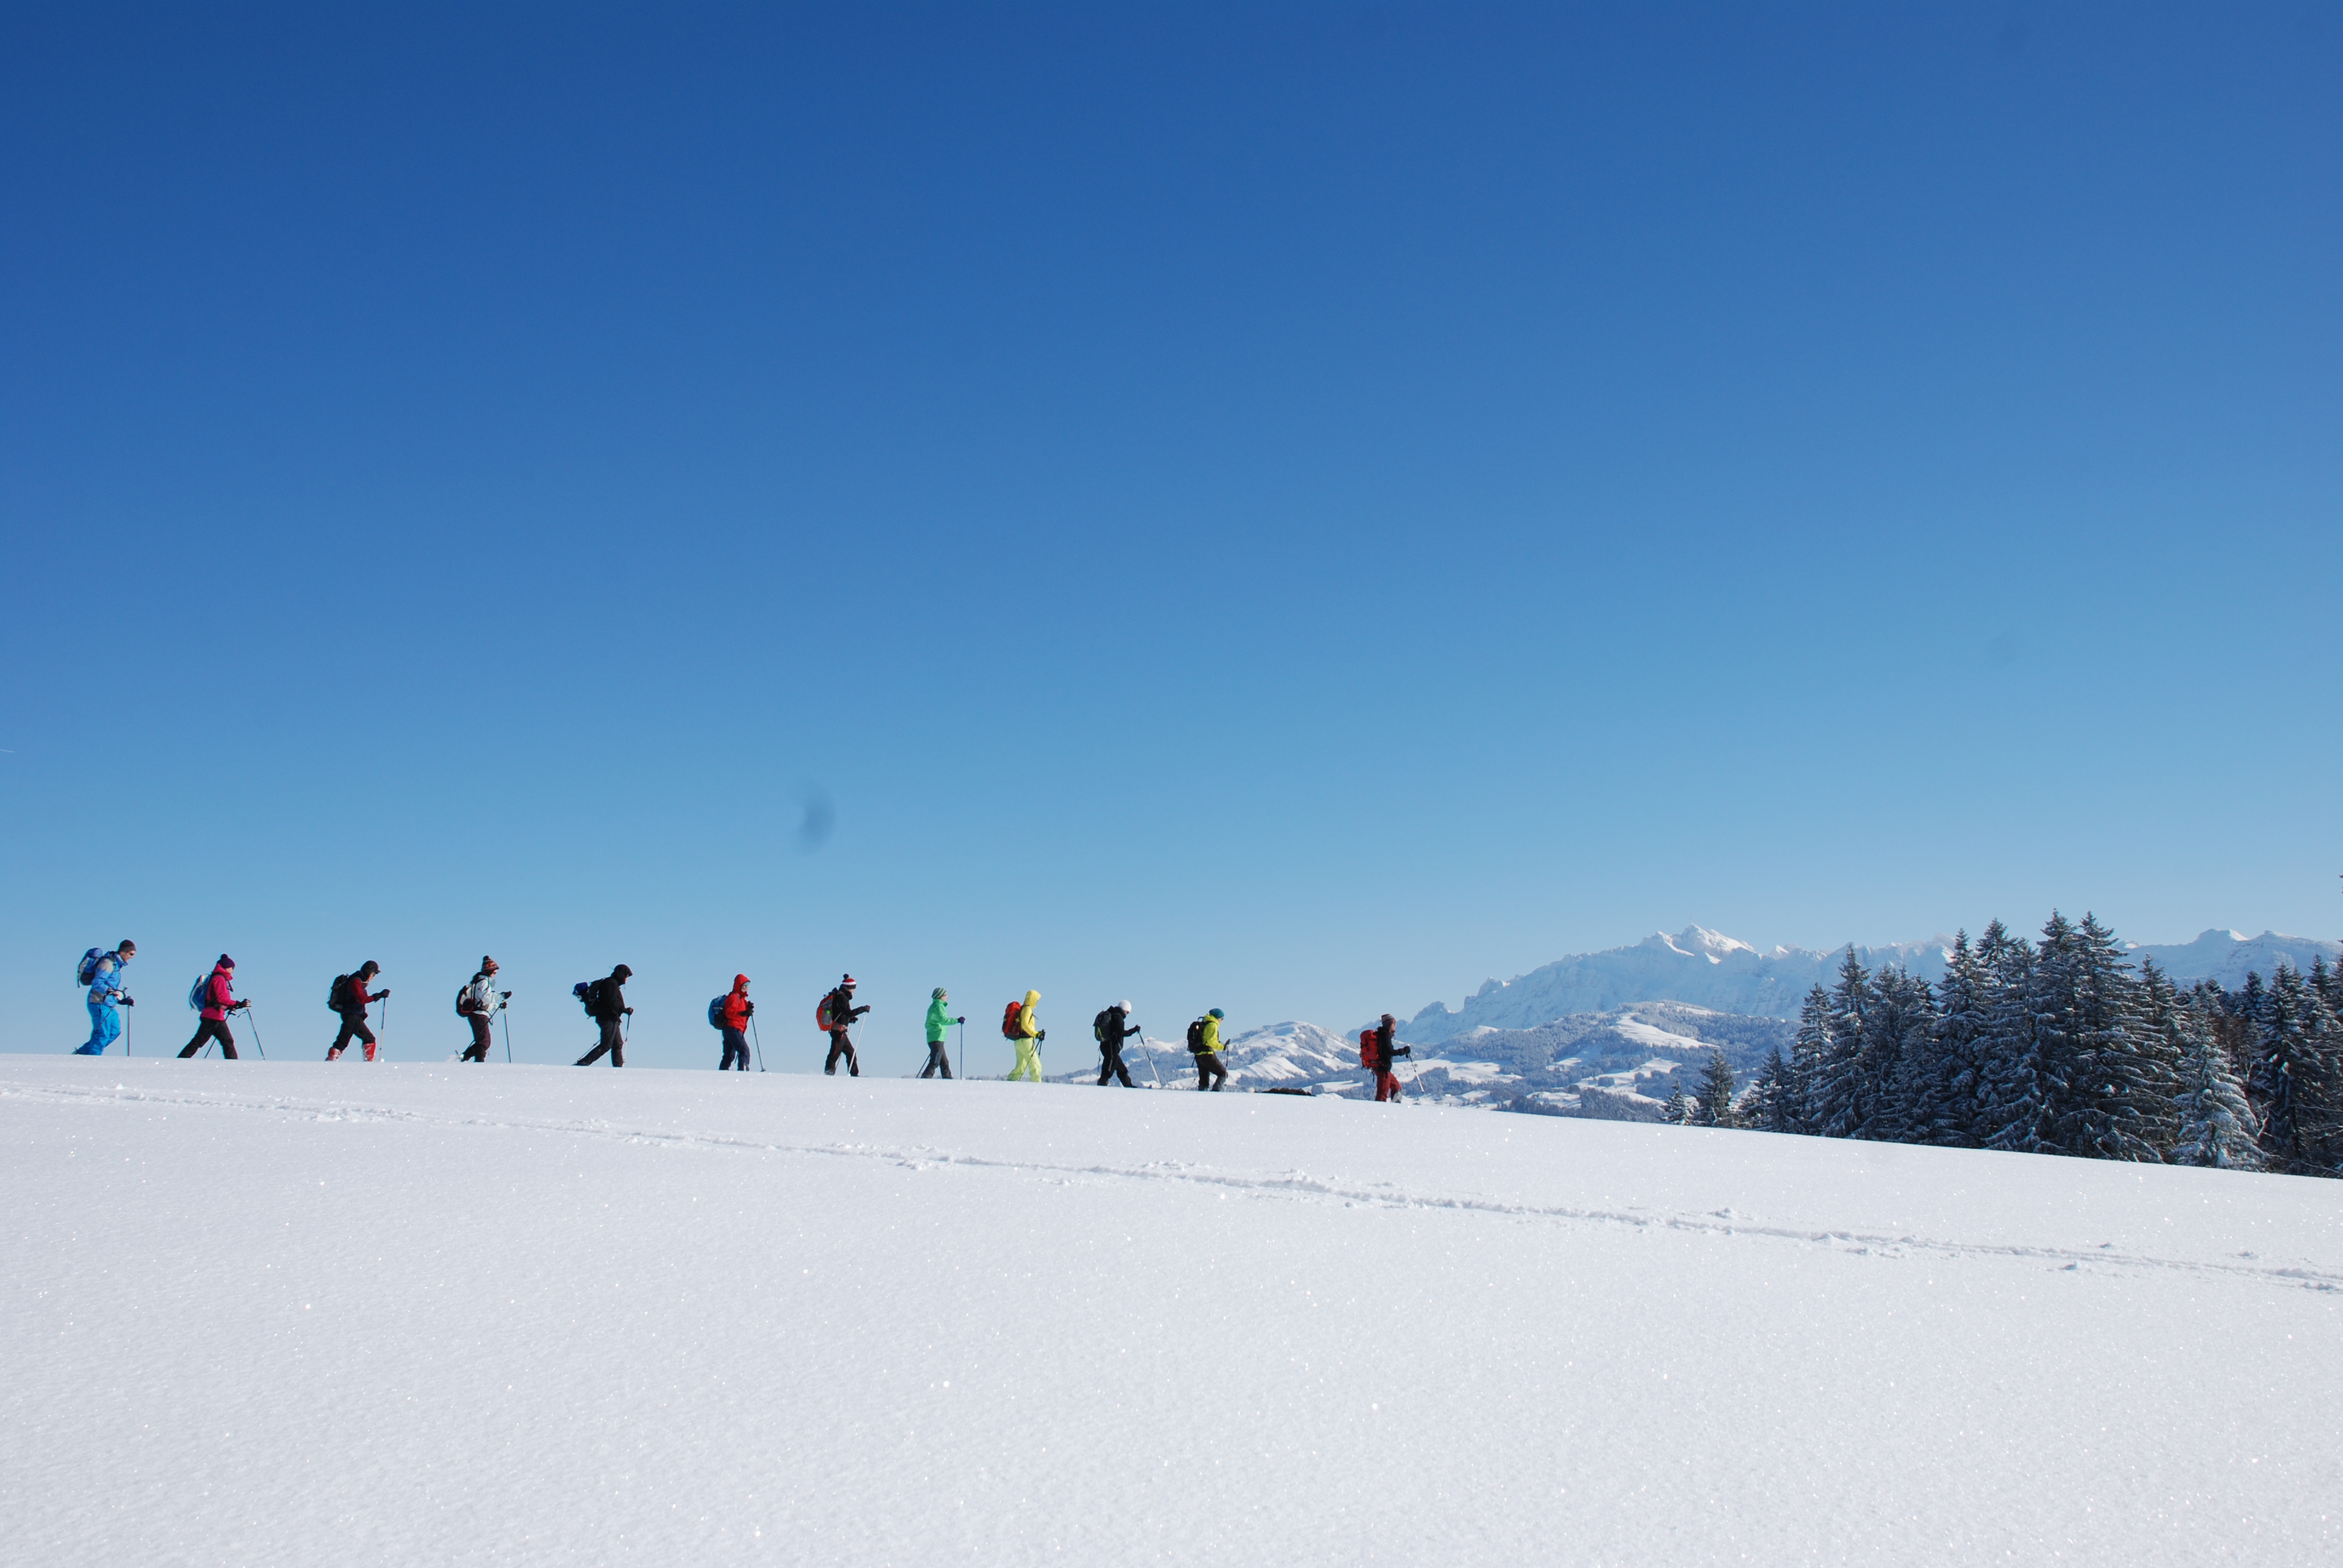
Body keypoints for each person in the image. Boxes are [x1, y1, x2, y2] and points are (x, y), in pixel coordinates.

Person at [180, 955, 248, 1059]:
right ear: (226, 967)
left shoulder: (218, 978)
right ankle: (181, 1060)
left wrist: (234, 1006)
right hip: (213, 1016)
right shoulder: (219, 979)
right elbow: (222, 999)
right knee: (200, 1041)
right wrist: (237, 1004)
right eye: (232, 968)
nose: (233, 971)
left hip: (216, 1016)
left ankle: (233, 1064)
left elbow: (217, 1000)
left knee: (227, 1041)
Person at [76, 940, 136, 1056]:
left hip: (108, 1004)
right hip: (98, 1003)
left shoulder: (116, 966)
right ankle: (93, 1060)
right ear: (124, 952)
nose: (132, 957)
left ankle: (81, 1055)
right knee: (102, 1034)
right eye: (131, 954)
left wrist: (122, 999)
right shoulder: (108, 963)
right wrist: (111, 992)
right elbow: (97, 982)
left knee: (114, 1032)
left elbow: (111, 987)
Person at [327, 962, 389, 1062]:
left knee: (367, 1039)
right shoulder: (355, 981)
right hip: (352, 1015)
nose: (373, 977)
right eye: (373, 974)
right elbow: (361, 999)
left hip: (354, 1015)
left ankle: (368, 1061)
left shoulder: (358, 981)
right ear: (368, 971)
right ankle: (331, 1061)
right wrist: (378, 996)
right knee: (343, 1041)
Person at [575, 964, 634, 1066]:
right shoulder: (610, 984)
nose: (627, 979)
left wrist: (623, 1010)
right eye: (626, 976)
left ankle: (618, 1069)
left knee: (618, 1044)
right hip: (608, 1018)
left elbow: (613, 1002)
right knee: (606, 1045)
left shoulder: (612, 983)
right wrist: (625, 1010)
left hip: (611, 1018)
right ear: (621, 974)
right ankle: (583, 1063)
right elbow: (611, 1002)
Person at [459, 957, 509, 1062]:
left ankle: (464, 1058)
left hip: (478, 1015)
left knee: (482, 1042)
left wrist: (497, 1006)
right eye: (494, 972)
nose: (495, 974)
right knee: (484, 1042)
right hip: (479, 1016)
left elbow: (483, 1002)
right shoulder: (483, 982)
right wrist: (501, 996)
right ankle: (476, 1063)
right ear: (490, 971)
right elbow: (485, 998)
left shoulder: (480, 982)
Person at [818, 974, 867, 1076]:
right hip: (838, 1031)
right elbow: (847, 1013)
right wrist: (863, 1009)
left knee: (851, 1053)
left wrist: (850, 1020)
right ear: (849, 987)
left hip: (841, 1030)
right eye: (854, 988)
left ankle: (854, 1075)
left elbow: (840, 1014)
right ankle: (828, 1075)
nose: (854, 990)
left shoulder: (841, 996)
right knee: (834, 1055)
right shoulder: (841, 997)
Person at [1093, 1000, 1140, 1088]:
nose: (1127, 1015)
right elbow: (1121, 1033)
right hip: (1112, 1049)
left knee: (1122, 1070)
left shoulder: (1111, 1014)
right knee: (1107, 1072)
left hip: (1106, 1047)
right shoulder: (1118, 1018)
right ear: (1125, 1009)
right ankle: (1100, 1088)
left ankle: (1129, 1087)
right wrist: (1134, 1030)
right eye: (1127, 1012)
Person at [1369, 1013, 1412, 1103]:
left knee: (1397, 1088)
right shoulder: (1385, 1036)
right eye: (1394, 1024)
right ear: (1390, 1024)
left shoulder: (1381, 1034)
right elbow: (1389, 1052)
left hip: (1382, 1069)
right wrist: (1403, 1051)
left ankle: (1394, 1109)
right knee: (1382, 1095)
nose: (1395, 1026)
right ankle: (1379, 1114)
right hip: (1383, 1070)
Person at [922, 987, 961, 1079]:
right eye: (945, 995)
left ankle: (948, 1079)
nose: (947, 997)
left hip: (936, 1037)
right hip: (937, 1038)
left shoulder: (934, 1006)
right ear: (940, 996)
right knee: (935, 1062)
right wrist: (958, 1020)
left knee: (944, 1062)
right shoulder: (938, 1006)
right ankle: (925, 1079)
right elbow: (943, 1020)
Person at [717, 974, 754, 1071]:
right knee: (744, 1051)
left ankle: (722, 1073)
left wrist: (747, 1010)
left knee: (729, 1055)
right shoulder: (734, 997)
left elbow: (740, 1017)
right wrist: (744, 1013)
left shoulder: (742, 1000)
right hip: (733, 1029)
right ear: (739, 986)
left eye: (748, 986)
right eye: (744, 986)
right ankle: (743, 1071)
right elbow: (730, 1013)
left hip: (732, 1029)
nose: (746, 988)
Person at [1006, 990, 1044, 1082]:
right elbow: (1025, 1025)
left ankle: (1010, 1083)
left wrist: (1036, 1033)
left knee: (1020, 1068)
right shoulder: (1028, 1009)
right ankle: (1038, 1087)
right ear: (1032, 999)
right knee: (1036, 1066)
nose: (1037, 1002)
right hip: (1026, 1042)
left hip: (1019, 1042)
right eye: (1037, 999)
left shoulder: (1023, 1009)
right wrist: (1036, 1034)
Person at [1189, 1007, 1229, 1091]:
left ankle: (1202, 1097)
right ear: (1218, 1018)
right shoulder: (1213, 1025)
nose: (1222, 1021)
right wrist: (1223, 1047)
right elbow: (1212, 1042)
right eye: (1222, 1018)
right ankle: (1215, 1093)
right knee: (1223, 1074)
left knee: (1204, 1081)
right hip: (1207, 1055)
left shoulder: (1205, 1023)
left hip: (1199, 1055)